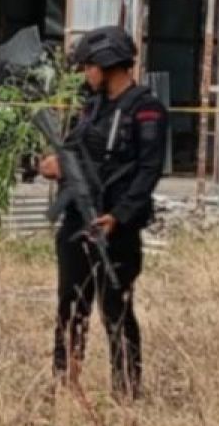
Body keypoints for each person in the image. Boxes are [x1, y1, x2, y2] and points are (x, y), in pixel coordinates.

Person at [38, 25, 167, 401]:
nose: (85, 74)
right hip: (77, 221)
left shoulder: (146, 109)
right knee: (70, 308)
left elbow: (148, 171)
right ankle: (65, 386)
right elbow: (75, 151)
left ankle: (126, 394)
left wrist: (120, 215)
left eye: (89, 66)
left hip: (116, 229)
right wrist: (55, 165)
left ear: (110, 64)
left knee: (116, 310)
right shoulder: (90, 106)